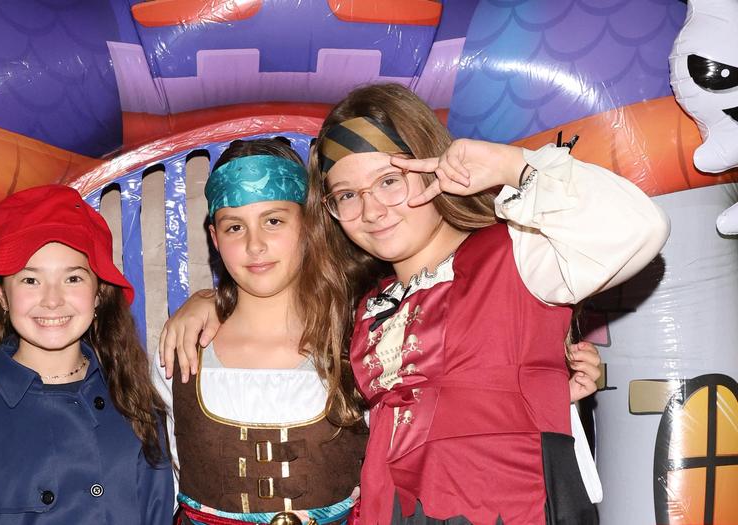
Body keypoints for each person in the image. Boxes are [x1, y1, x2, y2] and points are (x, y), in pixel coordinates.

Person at [161, 82, 662, 524]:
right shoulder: (368, 307)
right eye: (347, 195)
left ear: (433, 167)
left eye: (389, 180)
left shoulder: (518, 254)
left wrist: (516, 167)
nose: (372, 210)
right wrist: (211, 300)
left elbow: (638, 230)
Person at [0, 185, 174, 524]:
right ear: (0, 292)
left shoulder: (136, 405)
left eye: (72, 278)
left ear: (99, 292)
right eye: (30, 281)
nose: (52, 300)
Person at [158, 138, 369, 525]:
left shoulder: (358, 345)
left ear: (309, 224)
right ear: (214, 237)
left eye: (273, 221)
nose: (255, 245)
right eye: (235, 226)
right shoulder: (182, 353)